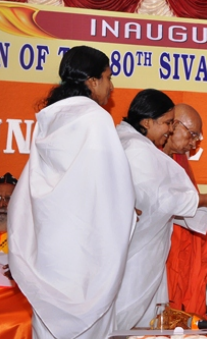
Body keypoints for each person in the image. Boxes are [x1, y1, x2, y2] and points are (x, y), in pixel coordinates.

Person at [7, 46, 136, 338]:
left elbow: (36, 187)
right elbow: (113, 187)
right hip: (85, 252)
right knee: (88, 322)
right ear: (92, 81)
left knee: (50, 322)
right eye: (108, 77)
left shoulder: (51, 120)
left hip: (51, 252)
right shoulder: (96, 119)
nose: (111, 86)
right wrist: (126, 211)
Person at [114, 90, 207, 330]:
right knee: (127, 323)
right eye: (168, 123)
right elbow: (159, 200)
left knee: (151, 323)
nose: (169, 130)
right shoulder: (137, 149)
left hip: (150, 253)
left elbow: (167, 205)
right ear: (148, 122)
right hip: (135, 255)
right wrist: (203, 201)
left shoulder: (141, 147)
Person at [164, 104, 207, 317]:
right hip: (162, 254)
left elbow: (184, 207)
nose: (194, 144)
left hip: (183, 252)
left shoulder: (180, 159)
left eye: (198, 138)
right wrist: (205, 204)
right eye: (192, 135)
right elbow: (163, 205)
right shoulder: (151, 156)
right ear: (172, 125)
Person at [0, 172, 32, 339]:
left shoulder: (30, 234)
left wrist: (21, 270)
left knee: (26, 321)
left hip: (20, 297)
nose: (3, 203)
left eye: (9, 198)